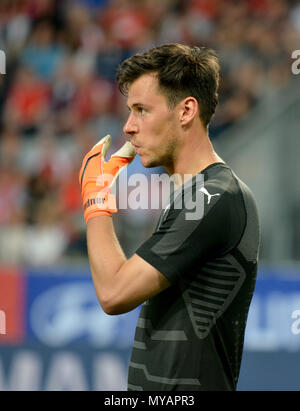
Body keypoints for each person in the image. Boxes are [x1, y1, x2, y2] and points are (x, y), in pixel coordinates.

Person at [79, 43, 260, 391]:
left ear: (186, 111)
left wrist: (95, 199)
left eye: (142, 110)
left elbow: (114, 293)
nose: (129, 127)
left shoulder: (215, 197)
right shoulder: (194, 195)